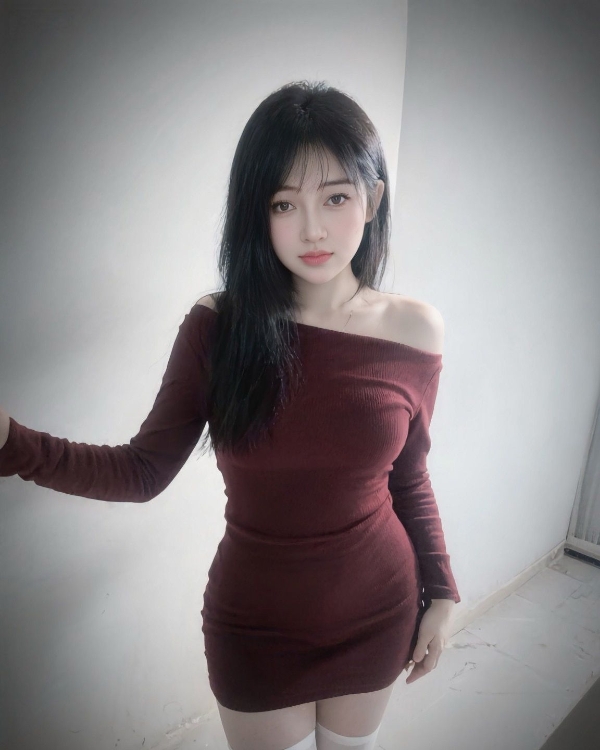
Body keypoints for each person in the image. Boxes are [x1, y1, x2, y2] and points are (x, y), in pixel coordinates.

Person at [0, 80, 460, 750]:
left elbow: (409, 475)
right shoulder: (219, 326)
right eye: (284, 203)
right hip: (256, 627)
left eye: (335, 197)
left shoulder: (415, 330)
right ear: (256, 212)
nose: (312, 228)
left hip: (378, 609)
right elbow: (141, 471)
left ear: (373, 198)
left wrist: (441, 592)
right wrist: (11, 442)